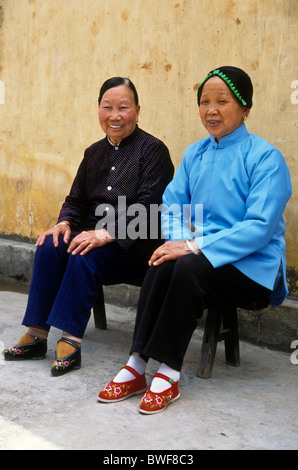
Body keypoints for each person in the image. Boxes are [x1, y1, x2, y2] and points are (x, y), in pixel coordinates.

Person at [98, 66, 292, 414]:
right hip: (201, 258)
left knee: (186, 265)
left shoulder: (266, 158)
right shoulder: (195, 154)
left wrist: (192, 246)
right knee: (162, 258)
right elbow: (171, 206)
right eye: (204, 101)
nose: (211, 110)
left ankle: (168, 373)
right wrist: (179, 242)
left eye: (222, 101)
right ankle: (136, 365)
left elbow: (259, 227)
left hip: (253, 269)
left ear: (246, 108)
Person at [4, 77, 174, 376]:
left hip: (133, 246)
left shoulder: (153, 151)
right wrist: (64, 222)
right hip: (91, 235)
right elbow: (76, 199)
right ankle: (36, 334)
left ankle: (71, 339)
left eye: (123, 107)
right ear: (98, 110)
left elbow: (150, 208)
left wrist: (106, 233)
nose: (115, 115)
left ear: (137, 109)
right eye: (107, 107)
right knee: (50, 245)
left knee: (85, 253)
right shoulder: (93, 152)